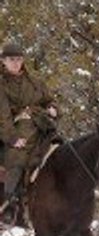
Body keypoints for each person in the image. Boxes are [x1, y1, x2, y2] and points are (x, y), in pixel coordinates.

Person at [0, 42, 59, 221]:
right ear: (3, 61)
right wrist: (12, 138)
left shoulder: (34, 82)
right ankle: (9, 202)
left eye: (18, 59)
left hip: (41, 126)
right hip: (12, 130)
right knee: (17, 156)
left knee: (59, 149)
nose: (16, 63)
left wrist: (53, 108)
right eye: (11, 60)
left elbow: (49, 99)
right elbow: (3, 117)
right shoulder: (1, 86)